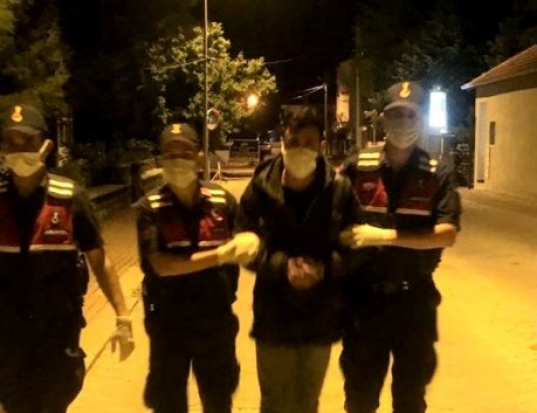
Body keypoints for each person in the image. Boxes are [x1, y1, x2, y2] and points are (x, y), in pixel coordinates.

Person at [0, 104, 134, 413]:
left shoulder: (70, 199)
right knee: (16, 404)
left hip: (57, 332)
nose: (19, 149)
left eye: (28, 141)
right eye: (11, 142)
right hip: (7, 334)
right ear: (2, 148)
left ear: (46, 146)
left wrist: (123, 316)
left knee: (53, 402)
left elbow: (100, 260)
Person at [338, 81, 462, 413]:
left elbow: (447, 234)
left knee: (410, 399)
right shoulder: (356, 167)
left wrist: (385, 236)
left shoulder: (436, 172)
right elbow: (331, 216)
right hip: (363, 301)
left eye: (411, 115)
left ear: (421, 120)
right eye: (396, 115)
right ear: (383, 119)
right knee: (360, 399)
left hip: (414, 301)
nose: (404, 122)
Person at [235, 106, 356, 413]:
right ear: (282, 142)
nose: (301, 149)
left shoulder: (340, 188)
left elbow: (356, 244)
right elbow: (243, 242)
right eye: (293, 141)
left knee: (307, 401)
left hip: (320, 312)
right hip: (274, 313)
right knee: (275, 402)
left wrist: (324, 269)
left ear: (321, 146)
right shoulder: (261, 187)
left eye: (309, 142)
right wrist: (282, 266)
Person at [135, 122, 259, 413]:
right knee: (168, 403)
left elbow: (245, 246)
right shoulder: (149, 207)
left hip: (215, 320)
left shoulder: (223, 201)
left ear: (200, 158)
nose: (178, 159)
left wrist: (252, 244)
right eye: (170, 153)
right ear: (160, 159)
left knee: (218, 400)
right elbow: (161, 265)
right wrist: (221, 254)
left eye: (186, 152)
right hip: (168, 323)